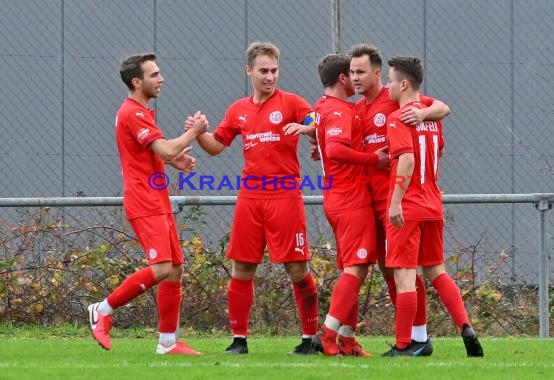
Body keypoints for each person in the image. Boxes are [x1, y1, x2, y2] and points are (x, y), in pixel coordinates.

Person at [187, 41, 319, 355]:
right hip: (250, 198)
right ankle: (239, 341)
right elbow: (216, 145)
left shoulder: (292, 102)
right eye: (263, 71)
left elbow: (318, 122)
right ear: (249, 71)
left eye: (274, 70)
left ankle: (309, 339)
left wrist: (305, 127)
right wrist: (197, 132)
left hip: (285, 197)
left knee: (297, 269)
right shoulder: (238, 110)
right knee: (243, 268)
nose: (270, 76)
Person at [87, 53, 208, 355]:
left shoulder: (140, 112)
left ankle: (167, 343)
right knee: (162, 267)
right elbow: (164, 149)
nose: (161, 79)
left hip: (157, 198)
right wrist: (194, 132)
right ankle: (101, 309)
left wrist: (174, 160)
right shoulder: (133, 113)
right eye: (154, 75)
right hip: (144, 201)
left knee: (176, 268)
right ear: (137, 81)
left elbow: (154, 152)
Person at [348, 43, 450, 355]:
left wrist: (422, 112)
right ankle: (419, 336)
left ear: (379, 74)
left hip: (400, 201)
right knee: (392, 269)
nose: (354, 77)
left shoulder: (395, 103)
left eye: (360, 71)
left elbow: (442, 107)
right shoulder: (357, 109)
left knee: (404, 271)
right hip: (372, 202)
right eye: (351, 72)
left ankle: (415, 338)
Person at [382, 55, 484, 357]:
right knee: (436, 271)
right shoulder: (431, 117)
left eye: (389, 80)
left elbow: (408, 159)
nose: (387, 85)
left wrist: (396, 201)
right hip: (432, 202)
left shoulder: (398, 117)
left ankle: (404, 345)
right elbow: (436, 149)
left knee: (403, 276)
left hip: (409, 205)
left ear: (403, 83)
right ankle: (465, 324)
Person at [303, 54, 387, 357]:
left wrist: (319, 146)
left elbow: (321, 138)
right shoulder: (337, 111)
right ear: (342, 78)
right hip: (350, 199)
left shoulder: (321, 107)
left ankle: (348, 342)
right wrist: (374, 159)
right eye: (351, 73)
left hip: (337, 198)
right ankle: (327, 336)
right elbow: (336, 149)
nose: (355, 79)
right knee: (357, 267)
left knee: (354, 268)